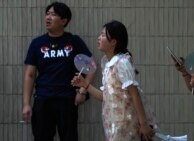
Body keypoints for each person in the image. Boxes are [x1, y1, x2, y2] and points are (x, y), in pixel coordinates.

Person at [22, 2, 95, 141]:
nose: (48, 17)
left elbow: (92, 66)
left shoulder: (74, 41)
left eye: (53, 14)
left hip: (67, 100)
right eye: (47, 14)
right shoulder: (37, 43)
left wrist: (82, 91)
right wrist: (26, 104)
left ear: (64, 21)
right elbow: (30, 75)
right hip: (43, 99)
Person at [71, 20, 155, 141]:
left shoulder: (122, 62)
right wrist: (85, 85)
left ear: (113, 42)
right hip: (113, 124)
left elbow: (135, 94)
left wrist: (143, 124)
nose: (99, 38)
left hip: (127, 124)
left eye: (103, 35)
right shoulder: (107, 64)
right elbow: (105, 97)